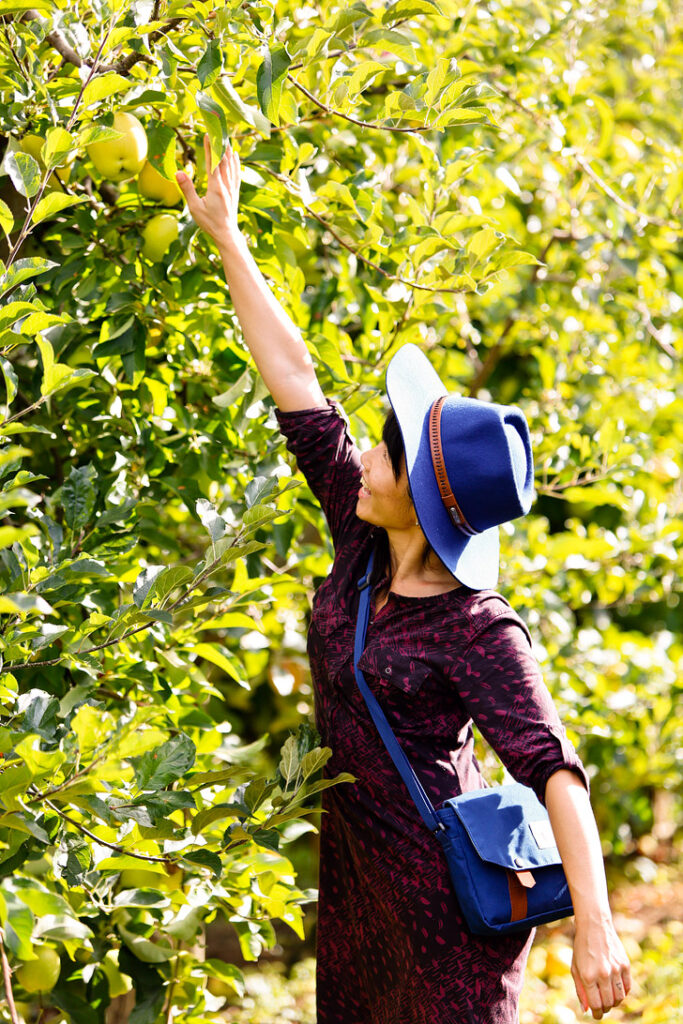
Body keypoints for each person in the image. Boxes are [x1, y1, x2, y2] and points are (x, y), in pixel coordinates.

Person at [176, 138, 632, 1024]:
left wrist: (597, 925)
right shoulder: (361, 536)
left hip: (443, 915)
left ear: (422, 504)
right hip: (357, 901)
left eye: (385, 453)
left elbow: (554, 771)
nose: (365, 460)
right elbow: (298, 384)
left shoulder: (475, 629)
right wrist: (228, 238)